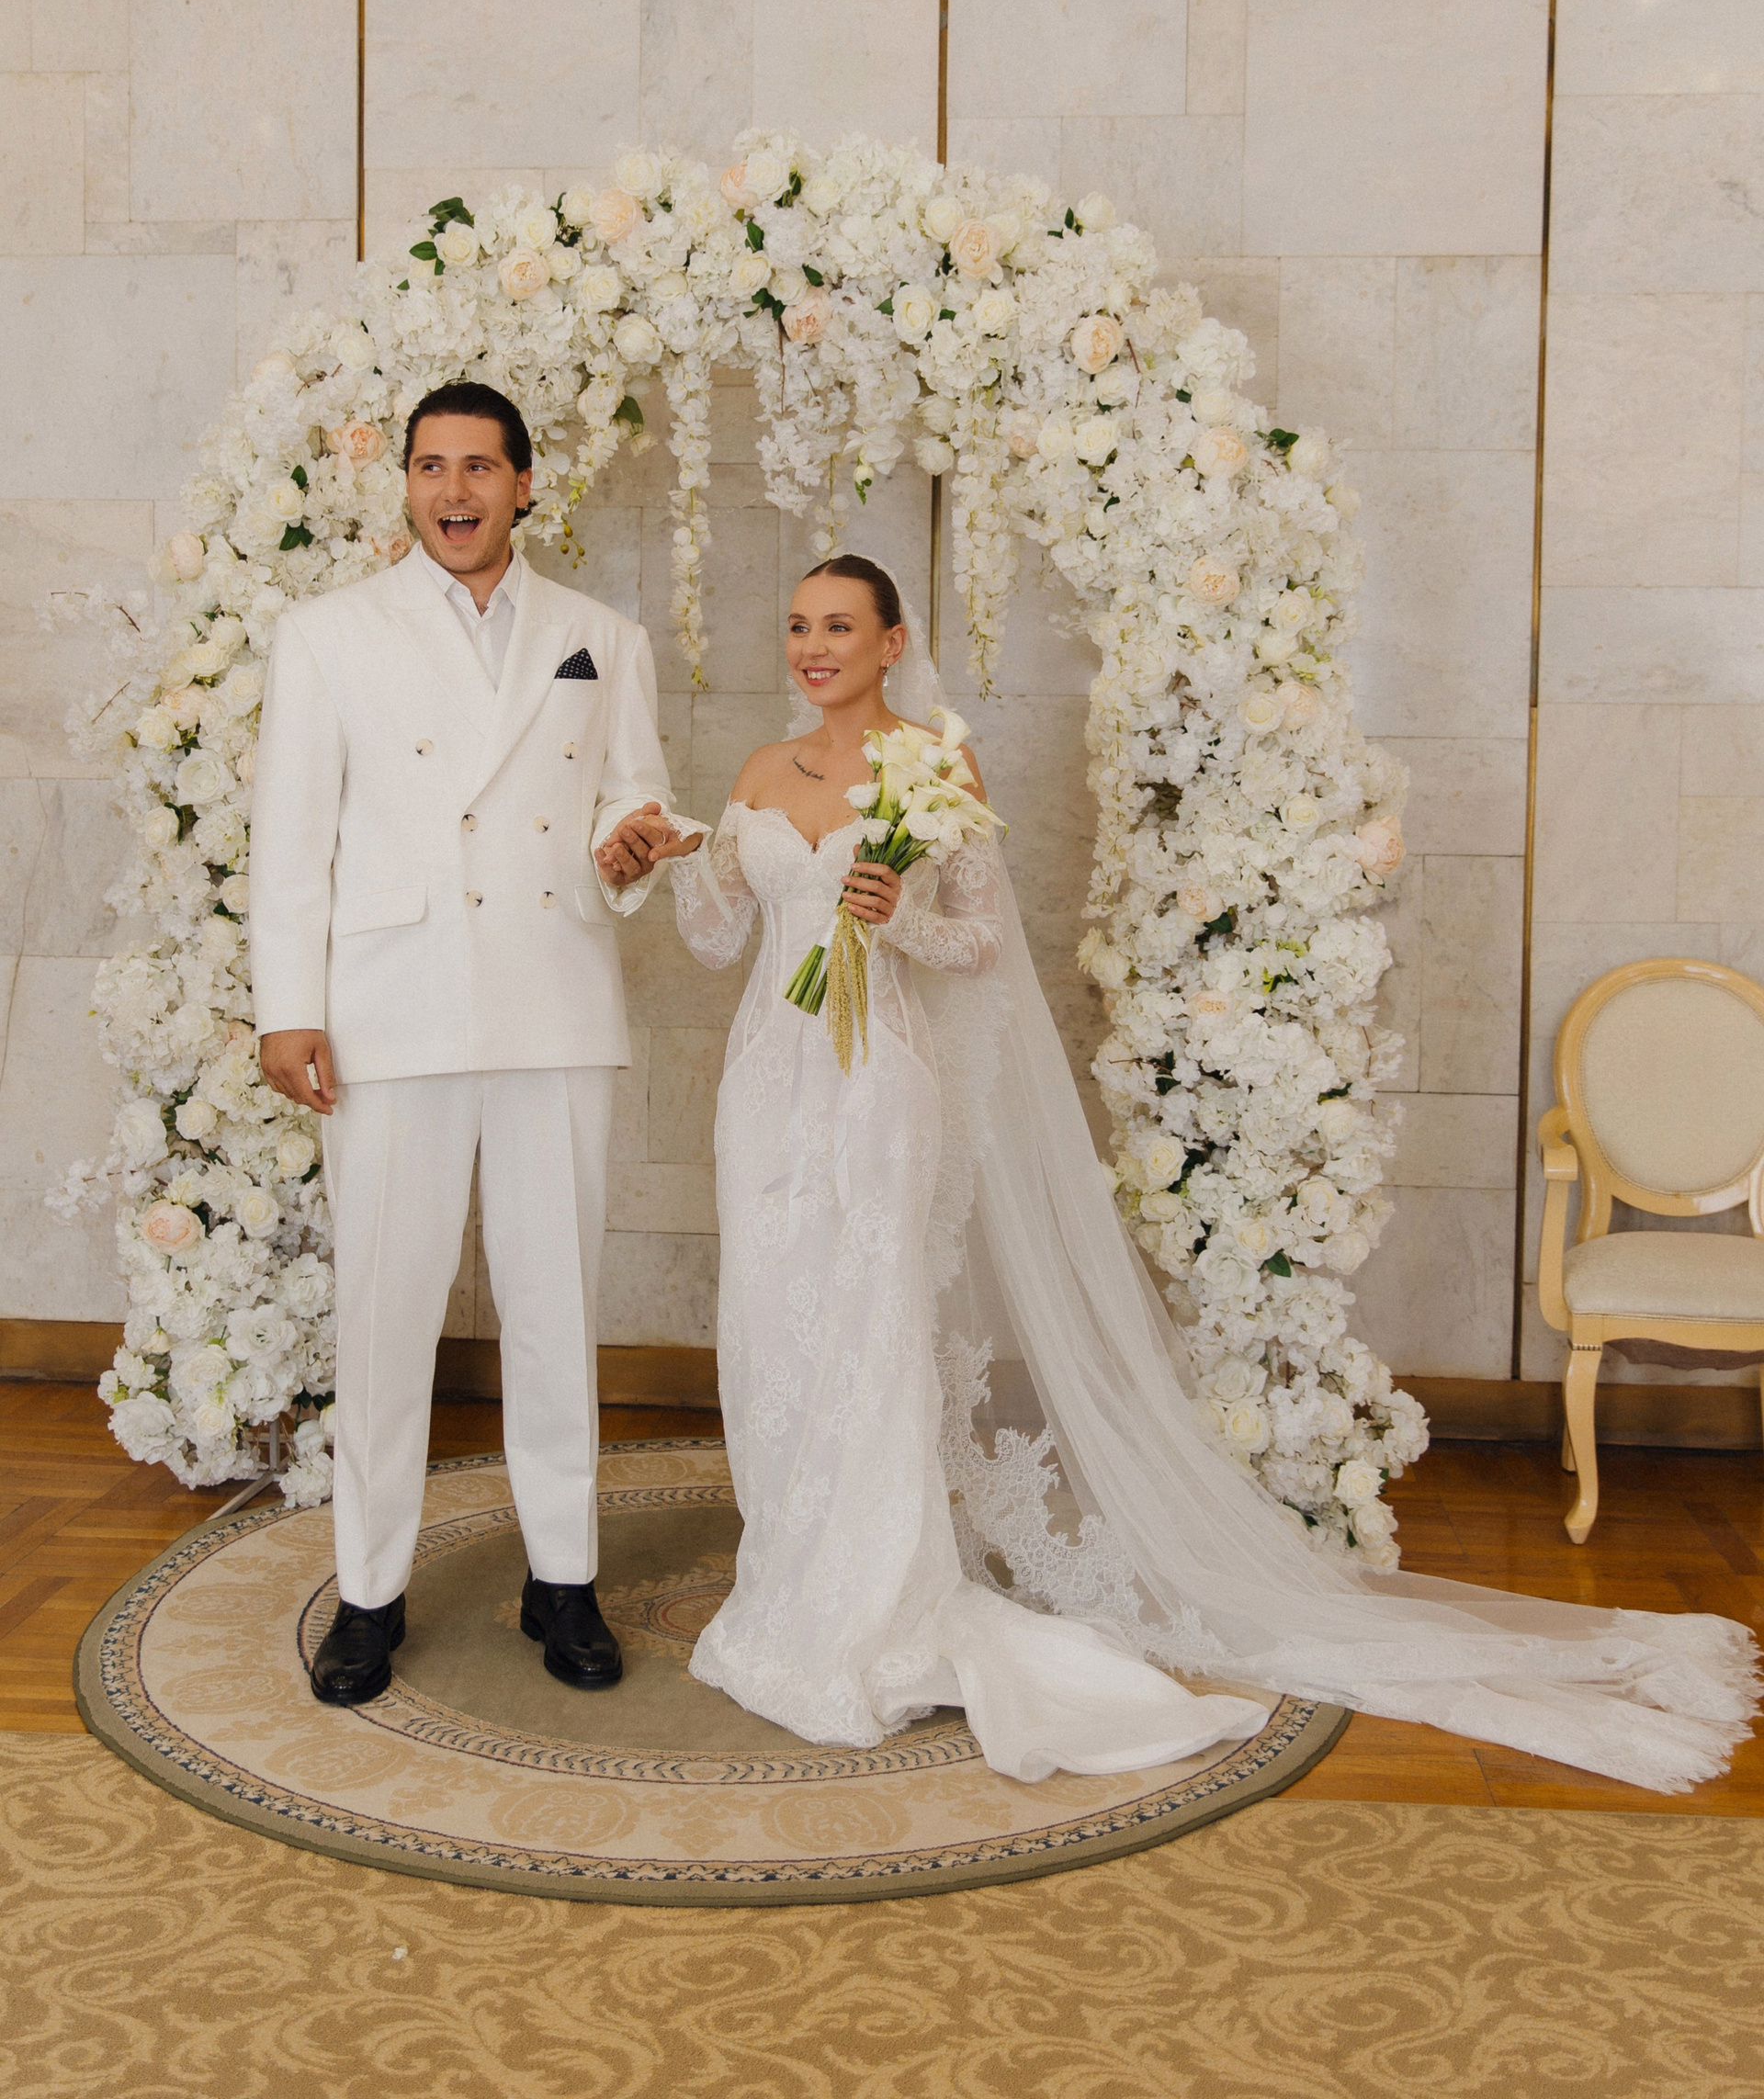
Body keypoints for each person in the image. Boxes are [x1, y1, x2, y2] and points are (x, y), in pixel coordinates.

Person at [646, 554, 1759, 1790]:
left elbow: (980, 947)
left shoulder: (934, 769)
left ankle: (869, 1602)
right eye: (799, 625)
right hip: (766, 1086)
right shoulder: (759, 772)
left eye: (839, 626)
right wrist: (685, 864)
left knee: (868, 1327)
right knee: (772, 1329)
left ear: (891, 641)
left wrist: (896, 918)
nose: (813, 647)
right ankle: (786, 1578)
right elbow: (717, 939)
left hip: (877, 1088)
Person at [250, 380, 699, 1707]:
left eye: (480, 468)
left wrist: (631, 846)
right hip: (391, 1008)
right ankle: (370, 1592)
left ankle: (564, 1578)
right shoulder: (328, 636)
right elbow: (293, 839)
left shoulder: (601, 637)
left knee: (556, 1309)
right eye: (432, 467)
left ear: (523, 485)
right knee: (384, 1316)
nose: (455, 491)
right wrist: (287, 1005)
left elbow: (634, 795)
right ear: (405, 484)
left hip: (552, 1002)